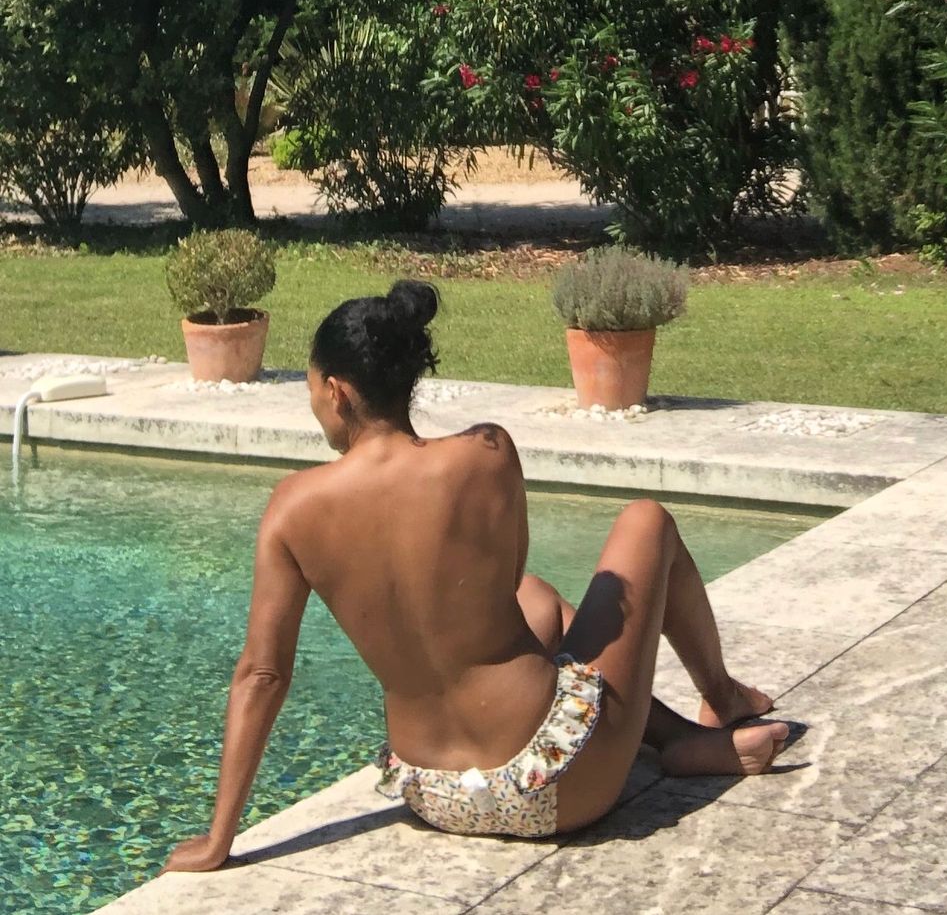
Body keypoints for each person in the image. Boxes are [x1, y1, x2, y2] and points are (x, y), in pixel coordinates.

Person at [163, 280, 788, 871]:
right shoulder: (486, 451)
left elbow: (262, 675)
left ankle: (682, 738)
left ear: (336, 391)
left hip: (433, 794)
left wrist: (221, 839)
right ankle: (722, 698)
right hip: (561, 783)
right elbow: (502, 575)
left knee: (538, 598)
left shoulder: (291, 508)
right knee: (647, 521)